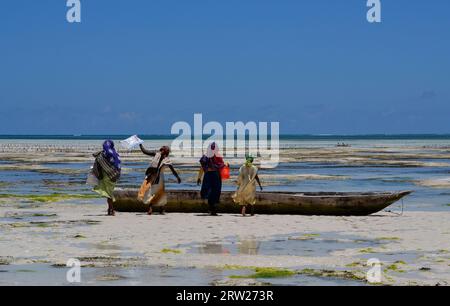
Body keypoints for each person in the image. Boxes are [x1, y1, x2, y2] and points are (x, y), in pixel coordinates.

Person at [138, 144, 181, 215]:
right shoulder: (163, 158)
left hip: (155, 177)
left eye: (162, 150)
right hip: (156, 177)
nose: (161, 152)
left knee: (153, 192)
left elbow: (145, 151)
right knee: (156, 192)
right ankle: (158, 209)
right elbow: (173, 171)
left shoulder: (160, 157)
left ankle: (155, 209)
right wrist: (178, 178)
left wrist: (140, 144)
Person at [92, 140, 121, 216]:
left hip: (108, 176)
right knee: (109, 193)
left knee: (109, 193)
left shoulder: (103, 154)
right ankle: (110, 209)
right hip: (113, 176)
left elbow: (95, 155)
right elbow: (117, 164)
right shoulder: (115, 153)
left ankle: (112, 210)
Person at [197, 142, 226, 216]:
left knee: (211, 192)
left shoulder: (206, 156)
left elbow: (202, 168)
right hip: (214, 175)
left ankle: (212, 209)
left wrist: (199, 177)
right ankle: (212, 209)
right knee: (213, 192)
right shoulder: (217, 156)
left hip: (209, 175)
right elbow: (221, 166)